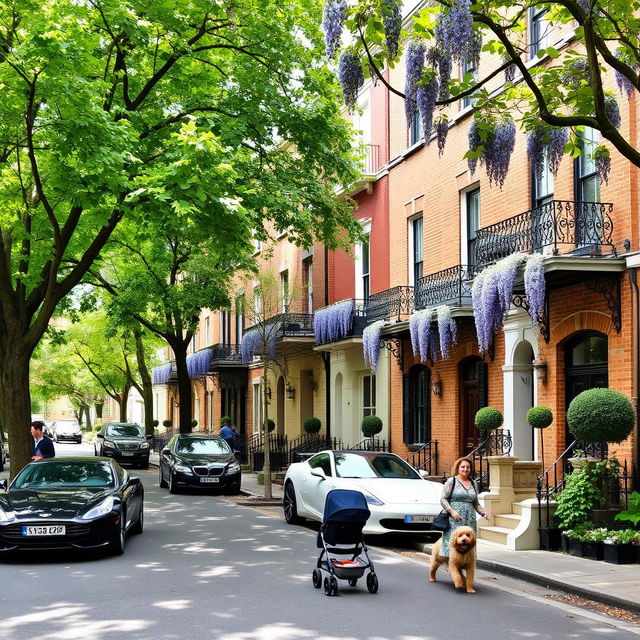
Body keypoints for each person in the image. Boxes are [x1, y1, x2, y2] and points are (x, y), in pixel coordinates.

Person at [439, 457, 488, 558]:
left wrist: (483, 512)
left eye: (468, 467)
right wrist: (451, 511)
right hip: (455, 519)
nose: (465, 469)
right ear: (458, 468)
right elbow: (443, 499)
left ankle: (466, 563)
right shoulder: (451, 481)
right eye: (463, 467)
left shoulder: (473, 482)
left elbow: (476, 503)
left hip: (470, 519)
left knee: (469, 543)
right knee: (454, 542)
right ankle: (452, 565)